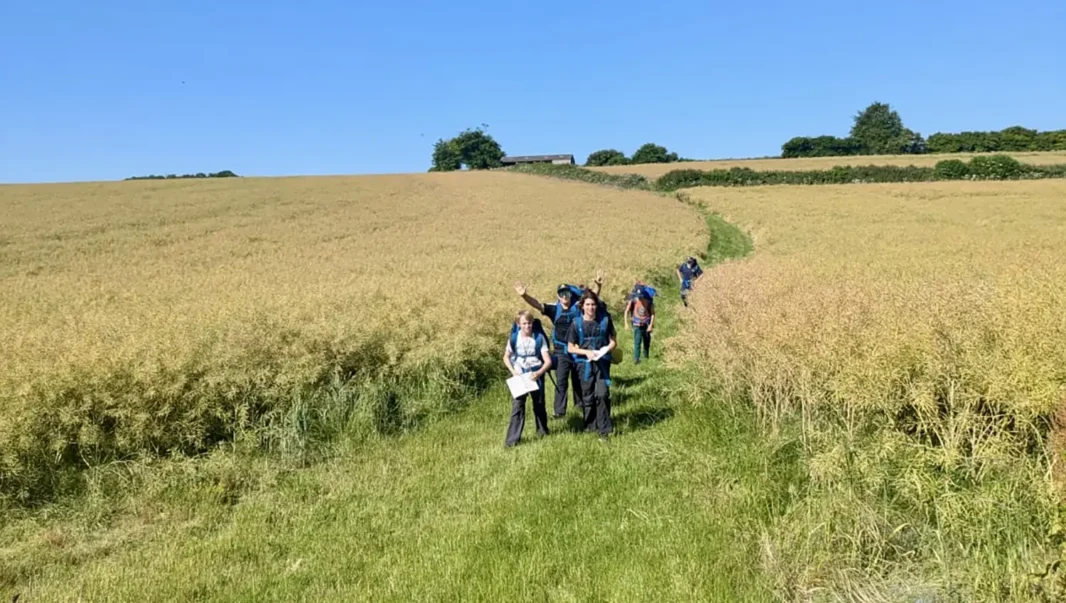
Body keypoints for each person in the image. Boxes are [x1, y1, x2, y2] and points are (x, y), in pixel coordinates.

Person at [514, 271, 603, 418]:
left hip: (577, 349)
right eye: (561, 294)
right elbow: (537, 305)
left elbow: (591, 300)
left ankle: (580, 405)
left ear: (570, 294)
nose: (564, 296)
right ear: (558, 296)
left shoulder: (578, 307)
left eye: (567, 293)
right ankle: (559, 412)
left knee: (579, 379)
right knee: (561, 382)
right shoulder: (554, 309)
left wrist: (598, 286)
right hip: (561, 351)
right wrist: (524, 295)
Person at [567, 289, 617, 440]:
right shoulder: (576, 323)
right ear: (582, 306)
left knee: (602, 395)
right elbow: (570, 347)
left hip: (602, 365)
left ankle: (604, 431)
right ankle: (590, 425)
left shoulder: (605, 321)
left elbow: (613, 341)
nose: (590, 308)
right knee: (587, 396)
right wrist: (586, 352)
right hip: (584, 366)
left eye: (593, 305)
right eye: (587, 305)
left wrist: (606, 349)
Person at [503, 310, 554, 447]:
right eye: (524, 323)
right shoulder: (514, 338)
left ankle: (542, 431)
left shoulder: (539, 338)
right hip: (520, 375)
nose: (527, 326)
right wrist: (513, 371)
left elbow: (547, 361)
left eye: (529, 323)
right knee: (518, 406)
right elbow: (506, 357)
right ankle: (512, 440)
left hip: (536, 374)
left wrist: (540, 372)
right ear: (518, 324)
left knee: (539, 404)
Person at [624, 280, 655, 364]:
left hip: (646, 322)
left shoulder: (649, 300)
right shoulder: (633, 300)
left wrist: (651, 325)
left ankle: (646, 355)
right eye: (639, 296)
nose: (640, 298)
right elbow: (626, 311)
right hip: (637, 323)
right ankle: (636, 358)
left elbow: (652, 313)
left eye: (641, 296)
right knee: (637, 341)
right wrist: (626, 323)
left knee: (647, 340)